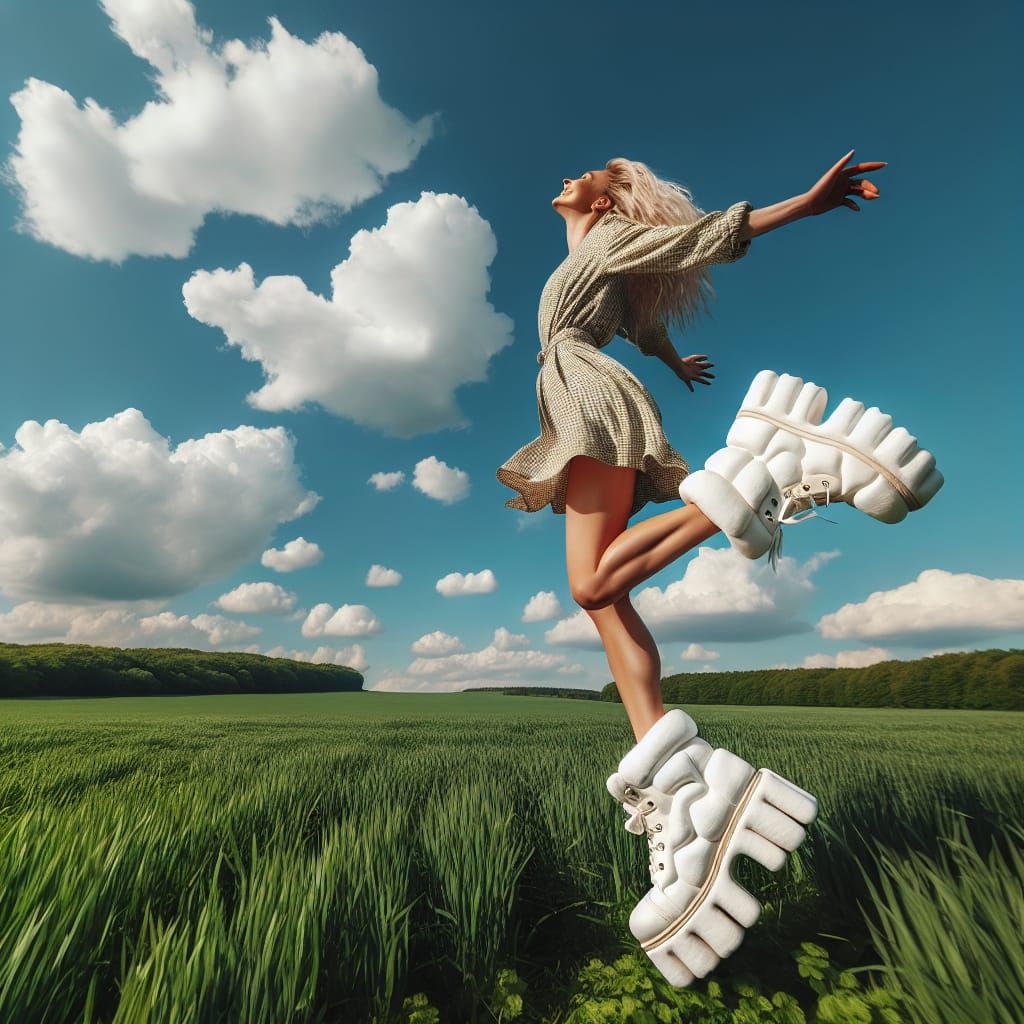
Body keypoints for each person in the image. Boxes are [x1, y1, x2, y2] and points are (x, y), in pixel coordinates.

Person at [496, 151, 942, 988]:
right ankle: (684, 791)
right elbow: (646, 325)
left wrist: (805, 205)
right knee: (603, 602)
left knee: (591, 585)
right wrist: (671, 365)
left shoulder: (611, 237)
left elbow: (703, 238)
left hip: (585, 391)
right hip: (586, 382)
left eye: (587, 170)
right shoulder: (591, 255)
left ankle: (752, 475)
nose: (566, 173)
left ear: (609, 192)